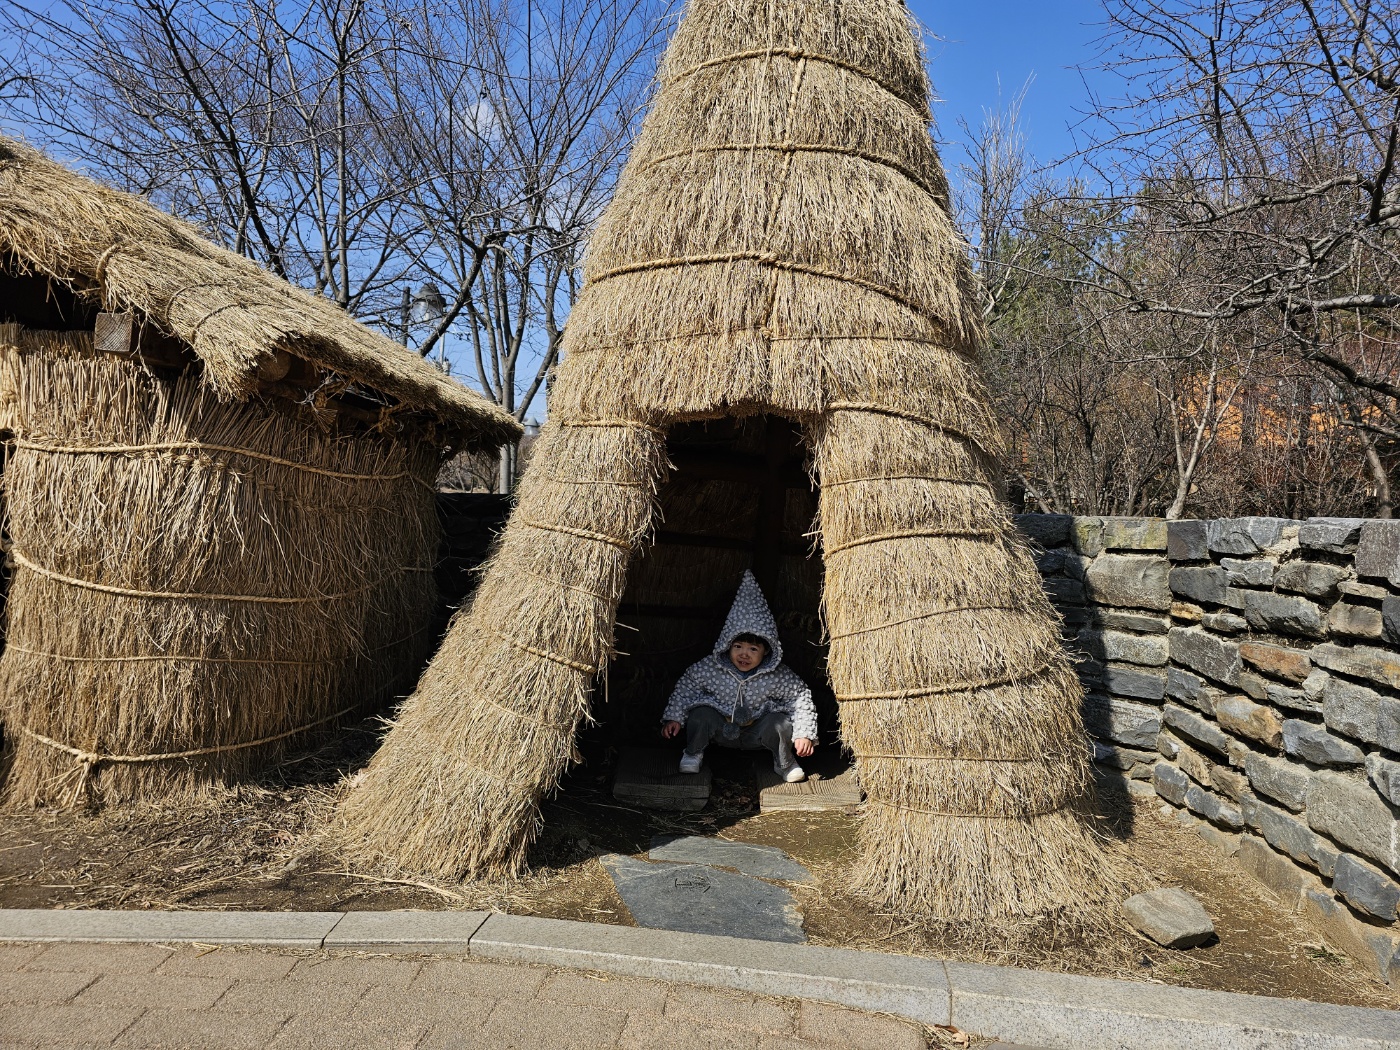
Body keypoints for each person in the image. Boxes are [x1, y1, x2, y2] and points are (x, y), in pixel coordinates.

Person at [660, 570, 817, 782]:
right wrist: (674, 718)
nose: (744, 654)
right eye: (738, 646)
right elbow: (686, 689)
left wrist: (803, 734)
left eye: (753, 649)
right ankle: (693, 753)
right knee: (701, 714)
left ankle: (784, 762)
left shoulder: (777, 675)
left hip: (757, 731)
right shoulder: (710, 668)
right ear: (727, 645)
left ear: (767, 650)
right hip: (721, 730)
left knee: (780, 722)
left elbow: (800, 698)